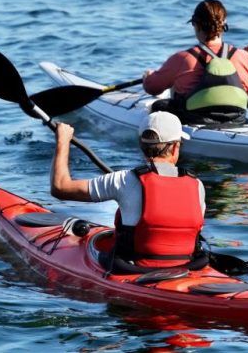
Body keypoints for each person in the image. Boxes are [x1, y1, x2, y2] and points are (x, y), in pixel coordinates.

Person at [50, 111, 207, 273]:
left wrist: (63, 141)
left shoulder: (124, 180)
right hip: (187, 269)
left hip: (133, 270)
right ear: (175, 147)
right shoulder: (197, 185)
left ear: (141, 145)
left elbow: (60, 187)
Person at [142, 0, 248, 124]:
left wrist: (148, 77)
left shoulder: (183, 58)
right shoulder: (245, 58)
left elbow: (152, 88)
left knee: (159, 105)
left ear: (196, 26)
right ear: (223, 25)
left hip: (194, 119)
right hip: (235, 121)